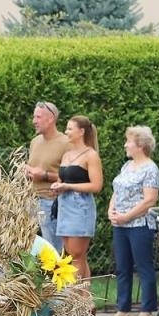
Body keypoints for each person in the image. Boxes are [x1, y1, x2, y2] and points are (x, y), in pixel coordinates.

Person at [107, 126, 159, 316]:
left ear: (140, 145)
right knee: (122, 267)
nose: (125, 145)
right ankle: (123, 309)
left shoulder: (150, 169)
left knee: (143, 267)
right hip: (120, 224)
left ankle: (147, 310)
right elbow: (117, 190)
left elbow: (149, 200)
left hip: (139, 224)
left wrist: (126, 216)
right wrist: (111, 210)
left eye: (128, 141)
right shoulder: (126, 166)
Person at [50, 115, 103, 282]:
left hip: (80, 208)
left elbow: (96, 186)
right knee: (73, 254)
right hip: (65, 207)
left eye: (70, 129)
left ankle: (75, 296)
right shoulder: (67, 155)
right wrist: (58, 186)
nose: (66, 132)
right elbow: (63, 178)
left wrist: (68, 187)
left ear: (81, 132)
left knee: (76, 256)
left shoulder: (91, 155)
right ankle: (86, 299)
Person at [19, 101, 69, 249]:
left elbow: (71, 177)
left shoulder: (66, 143)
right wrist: (27, 171)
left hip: (52, 202)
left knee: (52, 248)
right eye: (34, 117)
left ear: (51, 118)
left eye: (38, 117)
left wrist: (45, 176)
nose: (34, 121)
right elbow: (35, 170)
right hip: (31, 201)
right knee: (28, 247)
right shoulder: (35, 142)